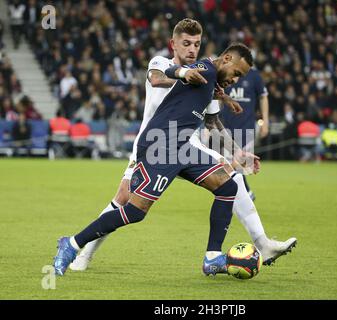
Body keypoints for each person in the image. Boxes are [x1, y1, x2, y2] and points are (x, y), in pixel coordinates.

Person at [68, 19, 296, 273]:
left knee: (231, 177)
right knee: (125, 200)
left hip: (187, 144)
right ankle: (82, 253)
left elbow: (212, 123)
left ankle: (260, 243)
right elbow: (156, 79)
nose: (191, 49)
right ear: (173, 44)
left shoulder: (206, 80)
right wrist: (186, 76)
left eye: (196, 44)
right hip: (154, 142)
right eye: (186, 44)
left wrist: (237, 152)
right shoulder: (161, 63)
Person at [219, 66, 269, 200]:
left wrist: (266, 121)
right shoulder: (226, 73)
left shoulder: (254, 75)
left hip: (246, 127)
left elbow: (263, 97)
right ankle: (245, 193)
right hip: (226, 127)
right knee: (229, 165)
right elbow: (218, 97)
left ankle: (243, 194)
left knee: (240, 165)